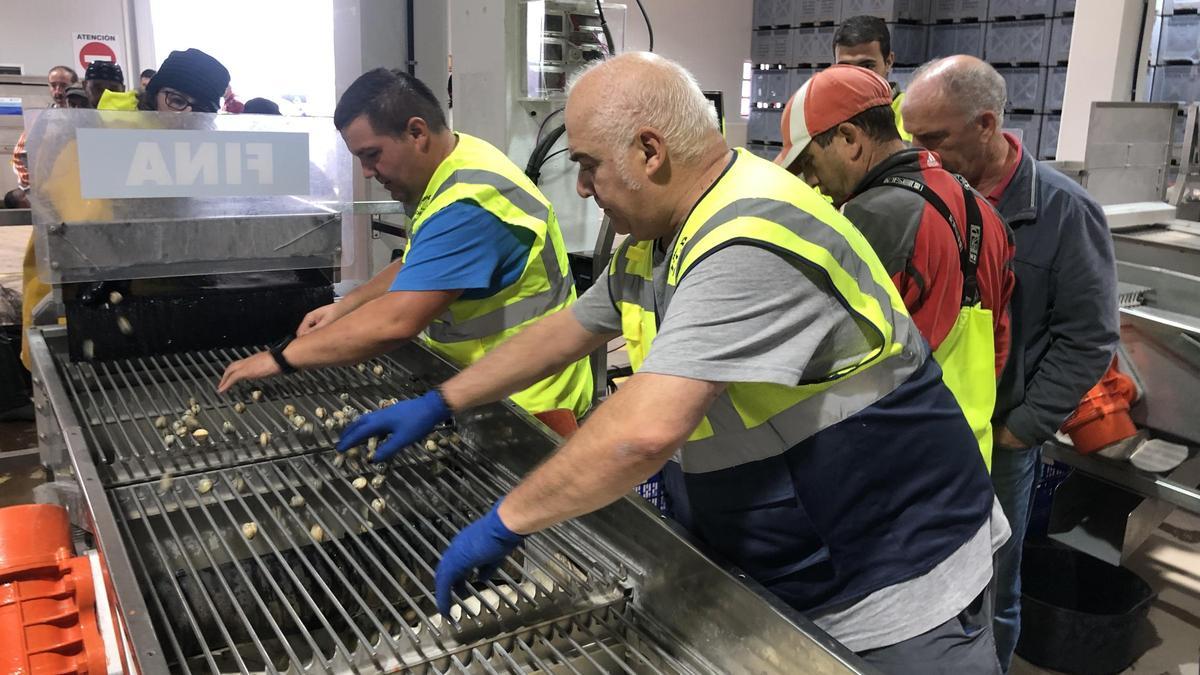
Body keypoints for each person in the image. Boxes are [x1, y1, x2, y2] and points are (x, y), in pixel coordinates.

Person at [337, 52, 1006, 673]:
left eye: (589, 165)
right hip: (801, 564)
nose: (584, 187)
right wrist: (444, 399)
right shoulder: (660, 237)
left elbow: (642, 431)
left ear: (649, 151)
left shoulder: (749, 237)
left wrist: (506, 519)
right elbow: (566, 331)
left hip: (898, 582)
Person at [216, 68, 593, 432]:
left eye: (371, 154)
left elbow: (396, 322)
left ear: (416, 132)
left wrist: (281, 358)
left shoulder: (472, 202)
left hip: (527, 402)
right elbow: (423, 262)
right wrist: (346, 307)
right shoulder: (456, 162)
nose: (367, 172)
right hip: (482, 382)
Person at [902, 55, 1120, 672]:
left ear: (987, 124)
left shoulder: (1063, 212)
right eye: (912, 137)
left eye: (934, 138)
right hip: (926, 427)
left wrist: (1022, 428)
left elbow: (1089, 337)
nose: (920, 153)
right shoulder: (923, 195)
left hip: (1000, 438)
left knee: (993, 582)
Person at [775, 64, 1015, 469]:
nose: (812, 180)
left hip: (896, 464)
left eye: (810, 162)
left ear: (849, 138)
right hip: (968, 459)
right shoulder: (983, 210)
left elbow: (829, 362)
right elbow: (1000, 341)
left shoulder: (865, 220)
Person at [19, 48, 231, 370]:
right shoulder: (101, 135)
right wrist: (111, 265)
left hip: (142, 304)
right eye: (176, 100)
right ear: (153, 94)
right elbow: (85, 217)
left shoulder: (190, 150)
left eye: (201, 109)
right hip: (71, 303)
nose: (184, 115)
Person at [833, 15, 911, 141]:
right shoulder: (825, 115)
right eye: (845, 68)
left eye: (867, 66)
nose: (856, 78)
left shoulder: (913, 112)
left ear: (888, 62)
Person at [11, 66, 79, 191]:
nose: (58, 91)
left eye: (63, 86)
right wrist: (32, 186)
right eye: (53, 85)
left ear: (75, 86)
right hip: (50, 190)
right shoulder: (41, 119)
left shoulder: (85, 116)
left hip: (79, 190)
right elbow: (20, 155)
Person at [140, 48, 230, 113]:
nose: (187, 114)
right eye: (177, 101)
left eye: (200, 109)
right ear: (154, 96)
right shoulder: (133, 130)